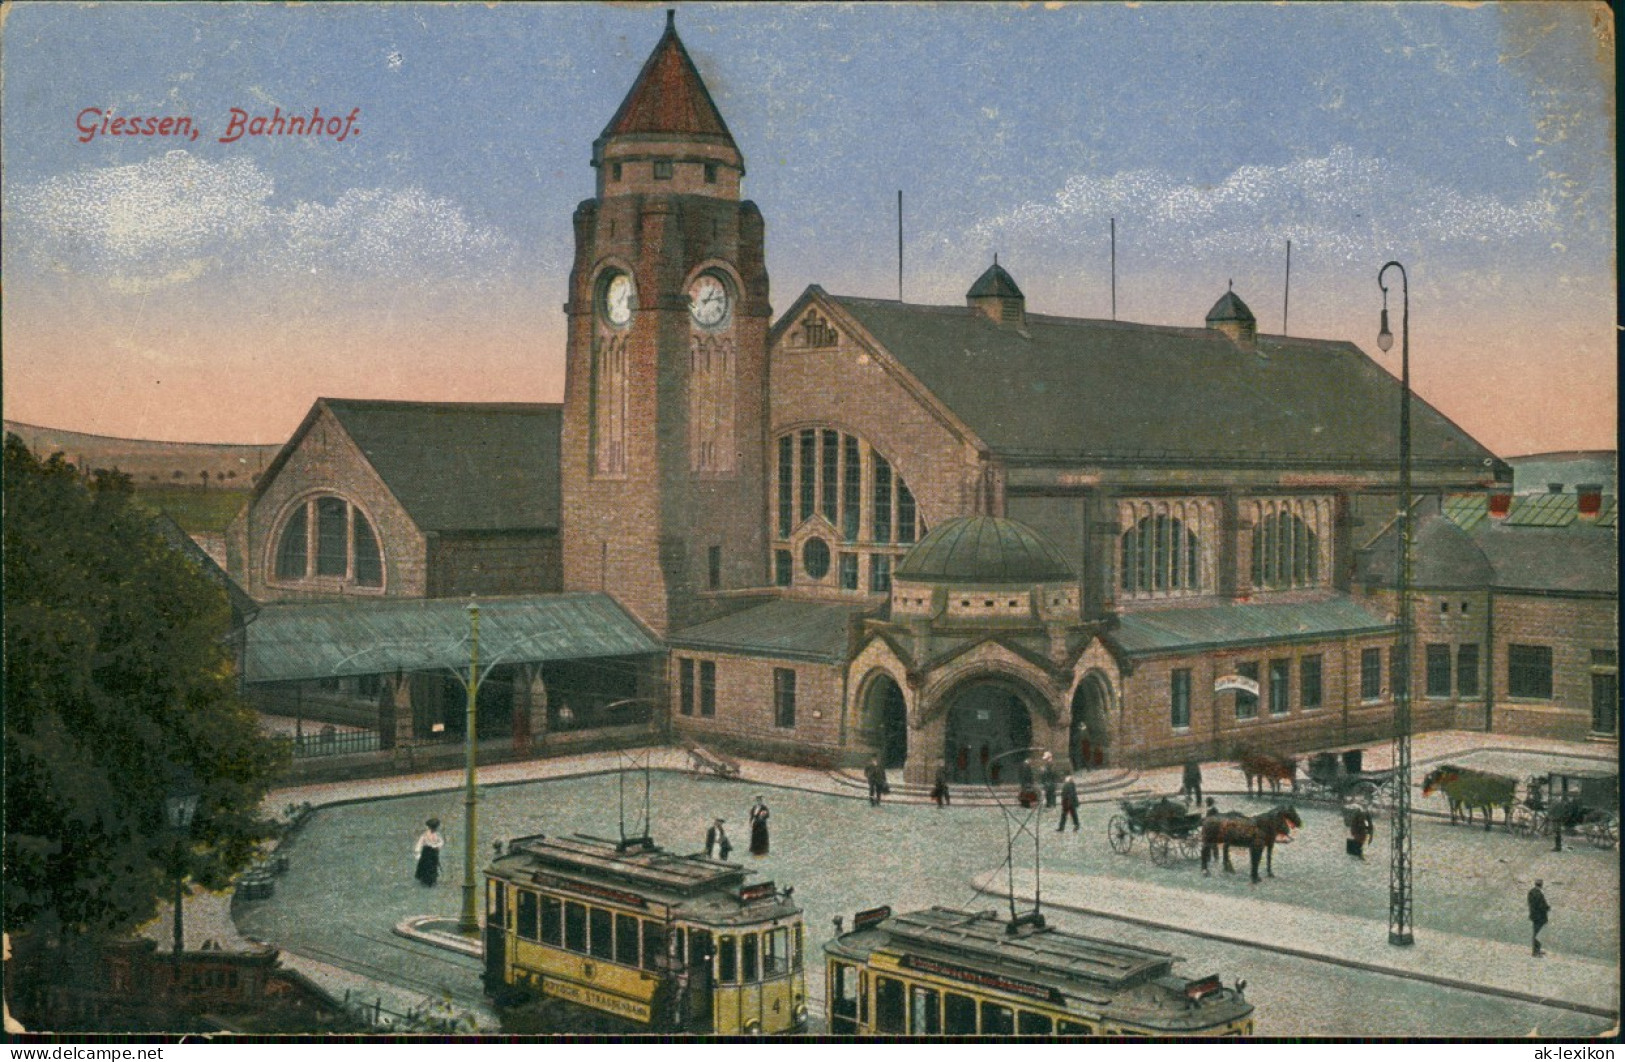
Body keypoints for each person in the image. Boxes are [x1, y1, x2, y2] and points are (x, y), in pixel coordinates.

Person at [414, 818, 444, 886]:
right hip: (426, 853)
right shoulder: (425, 835)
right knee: (425, 866)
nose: (434, 829)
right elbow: (420, 843)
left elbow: (441, 842)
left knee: (433, 866)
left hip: (433, 853)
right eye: (432, 828)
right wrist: (417, 852)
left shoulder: (437, 835)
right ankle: (424, 879)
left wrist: (437, 846)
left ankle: (432, 879)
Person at [1528, 879, 1550, 957]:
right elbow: (1541, 906)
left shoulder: (1531, 892)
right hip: (1539, 917)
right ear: (1541, 885)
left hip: (1534, 916)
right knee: (1538, 934)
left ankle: (1537, 950)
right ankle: (1536, 952)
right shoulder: (1539, 894)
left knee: (1536, 933)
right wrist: (1547, 908)